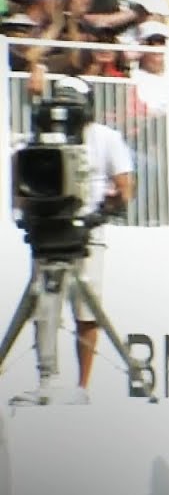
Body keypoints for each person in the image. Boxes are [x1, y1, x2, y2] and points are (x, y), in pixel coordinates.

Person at [11, 76, 134, 406]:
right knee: (43, 306)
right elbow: (23, 178)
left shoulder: (106, 138)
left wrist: (101, 213)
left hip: (87, 232)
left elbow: (125, 187)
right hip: (49, 228)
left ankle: (82, 386)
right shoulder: (40, 138)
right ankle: (47, 379)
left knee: (86, 309)